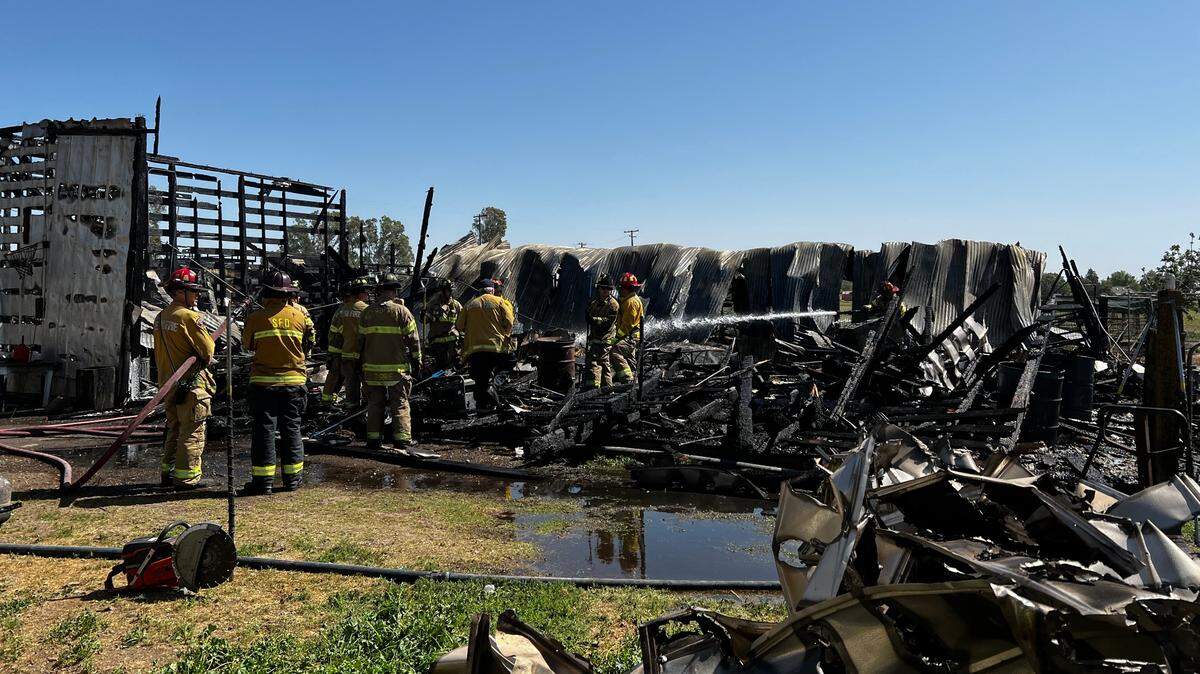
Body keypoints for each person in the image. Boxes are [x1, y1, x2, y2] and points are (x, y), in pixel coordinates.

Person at [241, 270, 315, 496]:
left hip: (263, 384)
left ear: (266, 293)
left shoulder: (256, 318)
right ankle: (293, 480)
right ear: (288, 293)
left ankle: (263, 482)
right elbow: (310, 342)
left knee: (264, 432)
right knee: (292, 429)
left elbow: (247, 346)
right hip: (294, 383)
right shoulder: (300, 317)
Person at [153, 267, 215, 489]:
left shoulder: (161, 317)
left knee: (174, 429)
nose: (197, 296)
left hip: (168, 384)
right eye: (193, 291)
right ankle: (187, 478)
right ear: (180, 292)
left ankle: (167, 474)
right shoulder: (189, 317)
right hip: (191, 386)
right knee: (192, 433)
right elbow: (208, 352)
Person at [359, 274, 422, 449]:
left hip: (371, 370)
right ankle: (401, 440)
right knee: (400, 403)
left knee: (374, 405)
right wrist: (418, 361)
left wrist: (359, 365)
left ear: (378, 291)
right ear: (394, 290)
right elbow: (414, 340)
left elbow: (360, 342)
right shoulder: (402, 311)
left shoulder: (366, 313)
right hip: (396, 370)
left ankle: (373, 439)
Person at [455, 278, 514, 411]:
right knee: (510, 362)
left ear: (479, 291)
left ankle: (482, 408)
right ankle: (495, 385)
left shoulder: (469, 305)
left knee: (481, 379)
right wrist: (505, 332)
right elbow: (509, 322)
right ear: (492, 290)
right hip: (496, 347)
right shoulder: (499, 302)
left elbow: (459, 326)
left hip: (475, 350)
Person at [337, 277, 372, 412]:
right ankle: (367, 411)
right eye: (366, 292)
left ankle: (351, 410)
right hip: (363, 355)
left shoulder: (343, 310)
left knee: (351, 384)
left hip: (346, 353)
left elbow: (337, 331)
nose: (368, 295)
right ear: (361, 293)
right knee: (367, 384)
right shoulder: (367, 310)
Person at [320, 283, 355, 405]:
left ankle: (327, 401)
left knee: (336, 376)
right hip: (344, 351)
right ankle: (328, 402)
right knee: (342, 376)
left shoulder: (340, 311)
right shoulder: (350, 310)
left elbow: (333, 334)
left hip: (338, 350)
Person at [582, 274, 619, 389]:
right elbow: (591, 315)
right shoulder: (594, 302)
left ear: (611, 290)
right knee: (604, 363)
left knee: (594, 362)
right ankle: (607, 388)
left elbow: (607, 322)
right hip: (595, 337)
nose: (604, 291)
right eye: (602, 288)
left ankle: (593, 388)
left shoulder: (613, 305)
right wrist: (588, 314)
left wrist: (592, 320)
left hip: (605, 339)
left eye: (607, 289)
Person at [610, 272, 645, 384]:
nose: (620, 290)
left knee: (613, 350)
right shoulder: (629, 300)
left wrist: (616, 337)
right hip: (631, 337)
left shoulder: (631, 302)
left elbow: (627, 325)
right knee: (629, 359)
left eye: (622, 287)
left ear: (626, 288)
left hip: (629, 337)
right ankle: (634, 376)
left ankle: (627, 379)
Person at [425, 278, 463, 371]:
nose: (450, 294)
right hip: (437, 343)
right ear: (442, 291)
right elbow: (424, 320)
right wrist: (425, 315)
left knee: (456, 367)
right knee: (439, 367)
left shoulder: (456, 304)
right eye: (448, 291)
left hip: (453, 343)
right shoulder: (432, 304)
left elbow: (463, 321)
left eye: (451, 291)